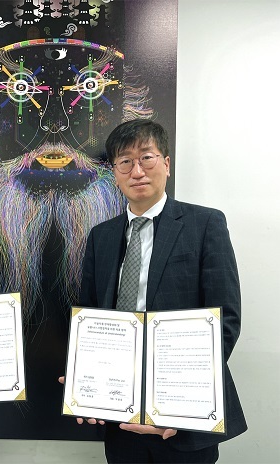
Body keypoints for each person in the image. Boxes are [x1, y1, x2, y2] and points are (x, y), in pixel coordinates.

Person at [69, 119, 247, 463]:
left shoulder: (205, 224)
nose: (137, 171)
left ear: (166, 163)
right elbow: (89, 315)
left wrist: (177, 402)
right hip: (118, 413)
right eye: (125, 162)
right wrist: (84, 372)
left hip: (184, 422)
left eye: (146, 158)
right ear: (115, 173)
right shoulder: (100, 236)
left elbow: (225, 319)